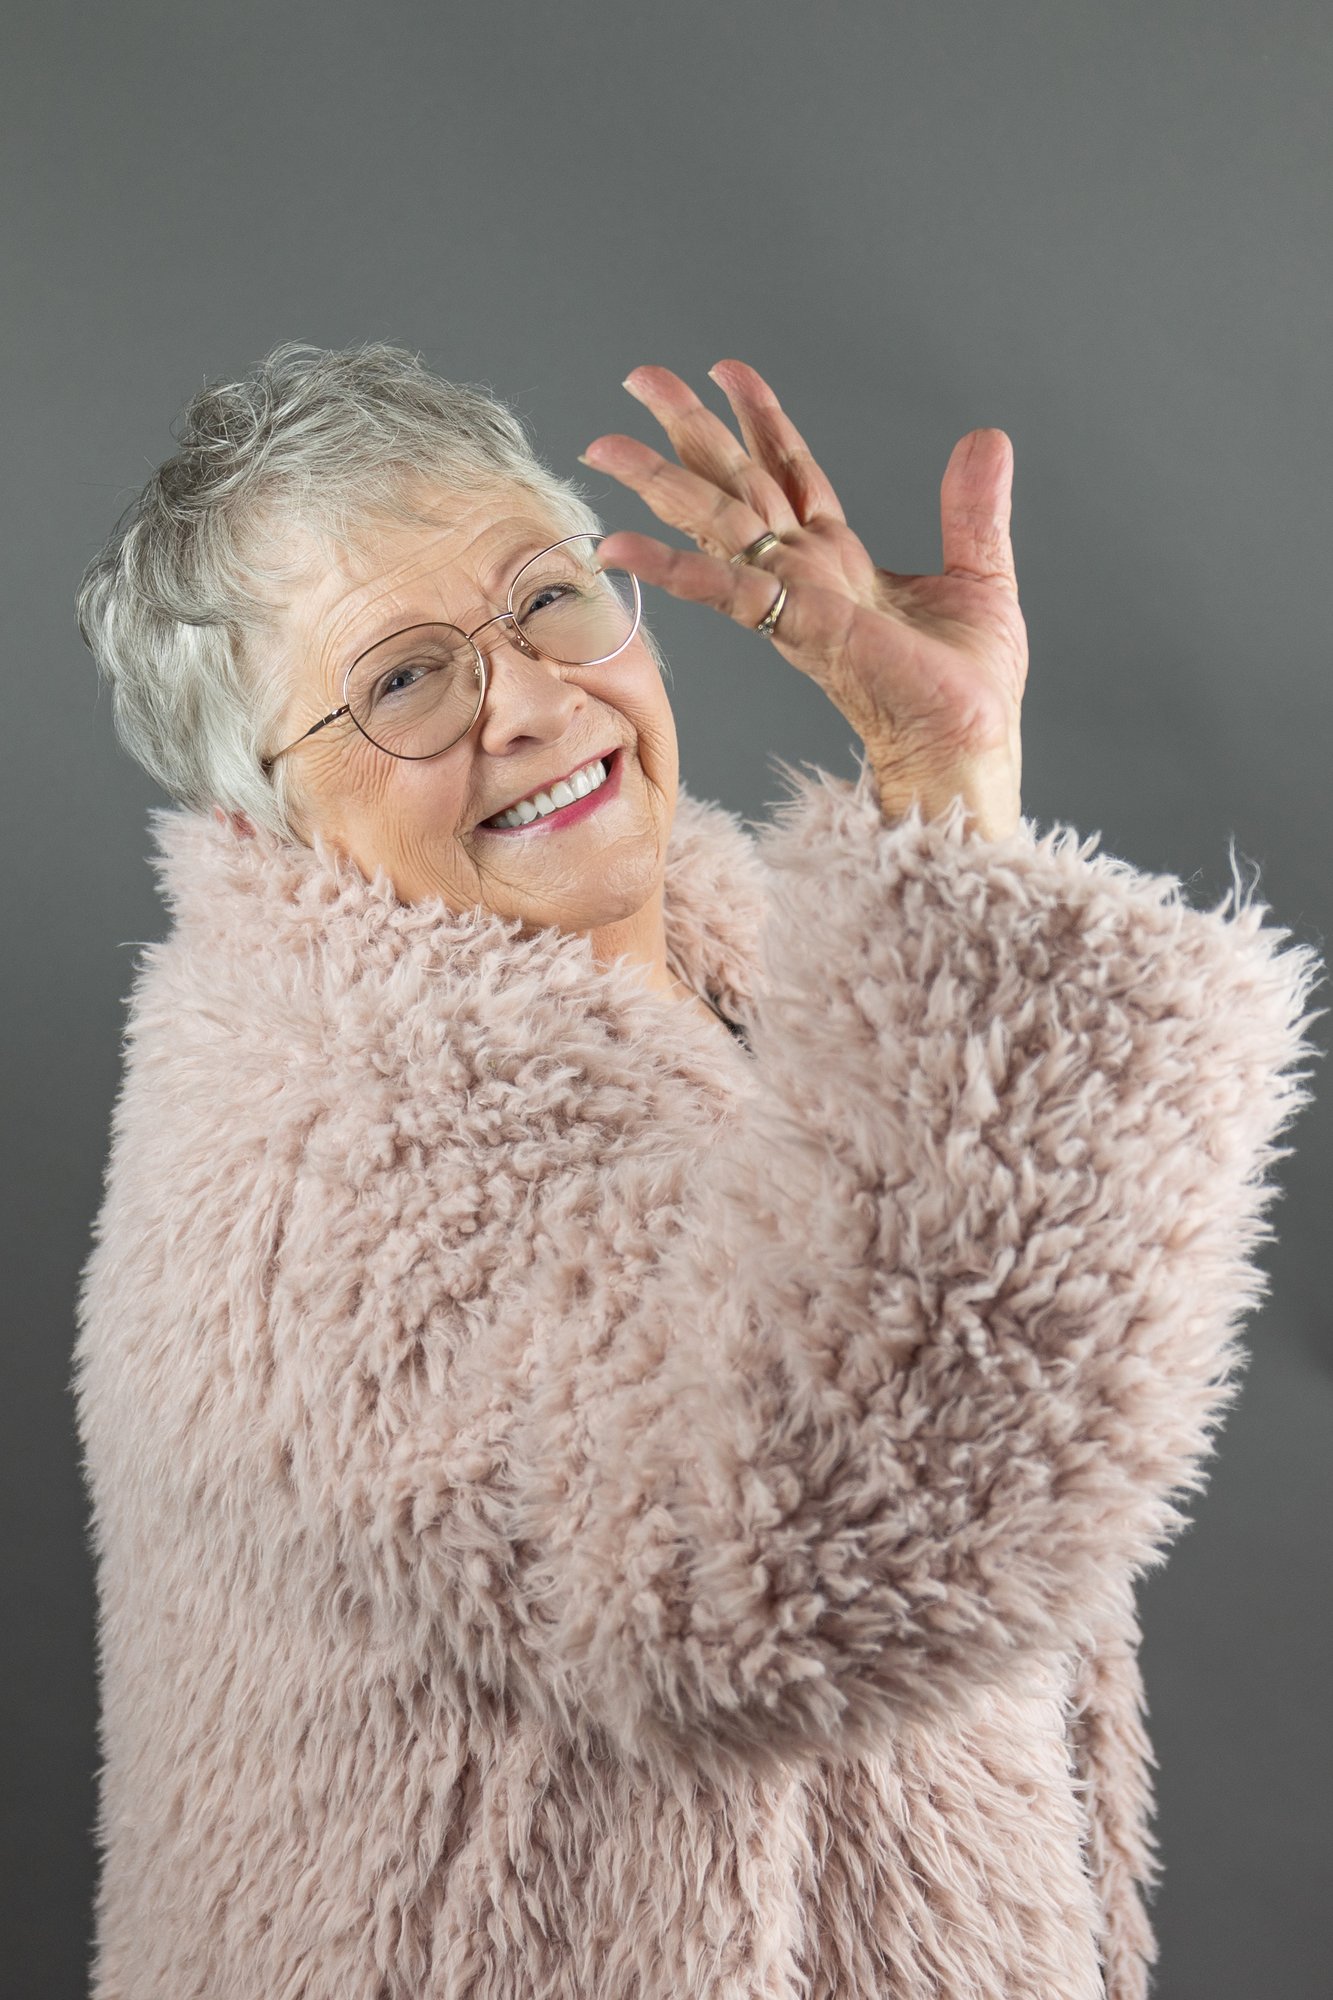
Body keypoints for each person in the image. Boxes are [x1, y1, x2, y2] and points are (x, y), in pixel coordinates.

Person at [72, 341, 1322, 2000]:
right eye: (402, 681)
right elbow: (806, 1567)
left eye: (549, 601)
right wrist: (942, 793)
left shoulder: (768, 995)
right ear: (261, 811)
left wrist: (948, 795)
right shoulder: (310, 1164)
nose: (524, 697)